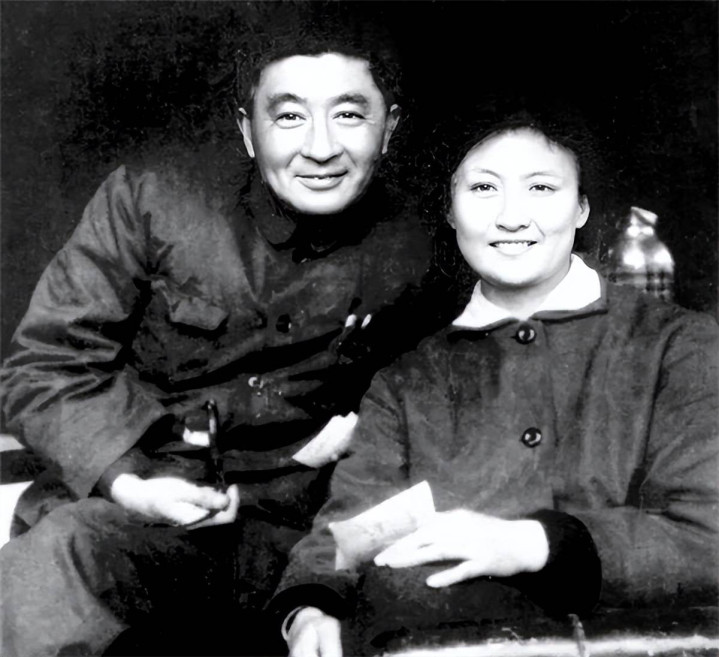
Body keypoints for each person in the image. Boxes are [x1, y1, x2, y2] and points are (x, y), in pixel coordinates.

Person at [0, 7, 439, 656]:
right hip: (131, 519)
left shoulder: (418, 244)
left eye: (349, 114)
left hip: (298, 543)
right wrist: (128, 482)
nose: (321, 147)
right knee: (52, 569)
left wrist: (320, 582)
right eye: (288, 117)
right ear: (247, 130)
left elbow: (421, 422)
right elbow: (44, 366)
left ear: (390, 127)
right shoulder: (151, 200)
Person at [272, 110, 719, 657]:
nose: (511, 217)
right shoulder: (407, 381)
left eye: (541, 188)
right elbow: (353, 528)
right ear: (449, 210)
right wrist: (311, 606)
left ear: (581, 207)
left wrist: (533, 543)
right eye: (483, 188)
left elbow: (709, 537)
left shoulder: (679, 345)